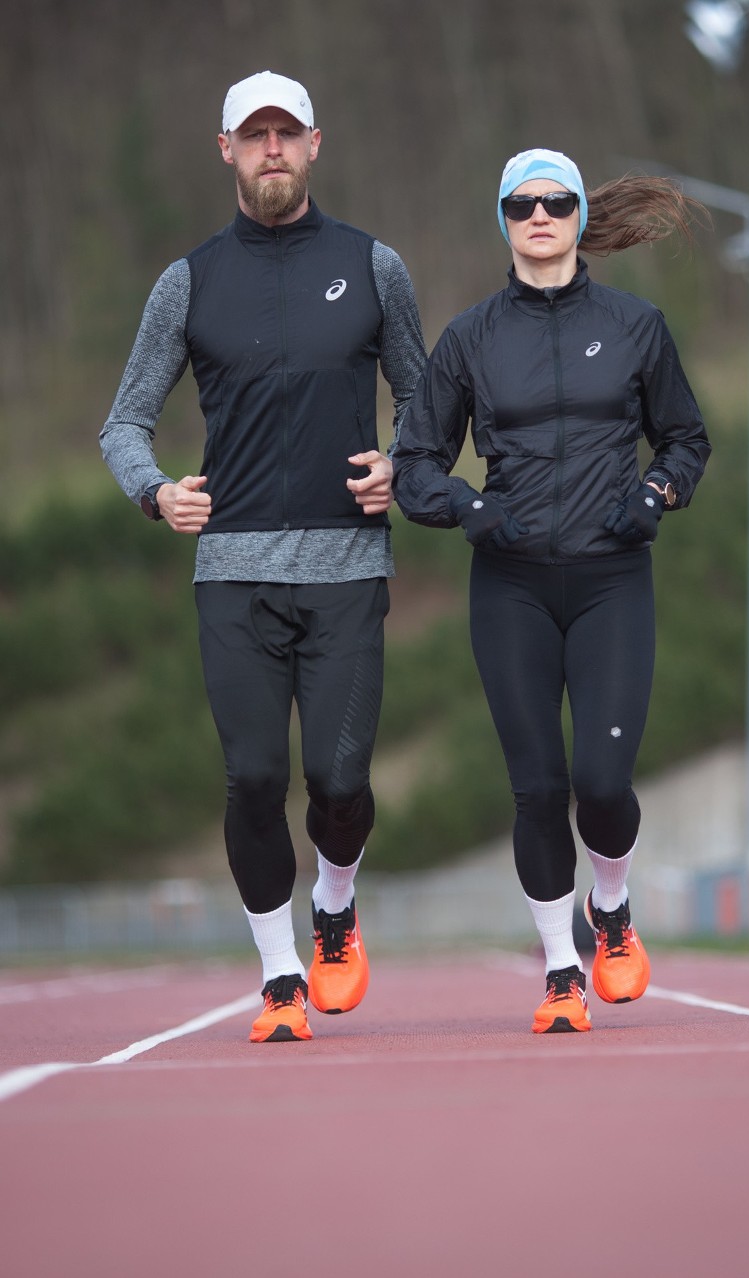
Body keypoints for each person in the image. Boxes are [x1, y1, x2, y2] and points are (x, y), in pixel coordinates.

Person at [101, 71, 426, 1043]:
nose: (272, 148)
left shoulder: (375, 266)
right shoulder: (188, 281)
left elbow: (428, 404)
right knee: (250, 779)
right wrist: (154, 490)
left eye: (287, 133)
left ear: (315, 144)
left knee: (337, 781)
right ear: (227, 150)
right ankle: (281, 976)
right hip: (232, 572)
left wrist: (402, 468)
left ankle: (334, 904)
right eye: (255, 135)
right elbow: (125, 423)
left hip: (347, 567)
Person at [392, 149, 710, 1034]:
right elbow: (415, 460)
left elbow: (687, 440)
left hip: (613, 579)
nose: (540, 215)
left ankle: (612, 909)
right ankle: (562, 971)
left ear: (577, 216)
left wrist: (656, 493)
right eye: (522, 203)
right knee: (537, 788)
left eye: (556, 201)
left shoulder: (637, 325)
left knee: (601, 782)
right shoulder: (470, 338)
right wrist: (465, 507)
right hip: (512, 585)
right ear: (504, 219)